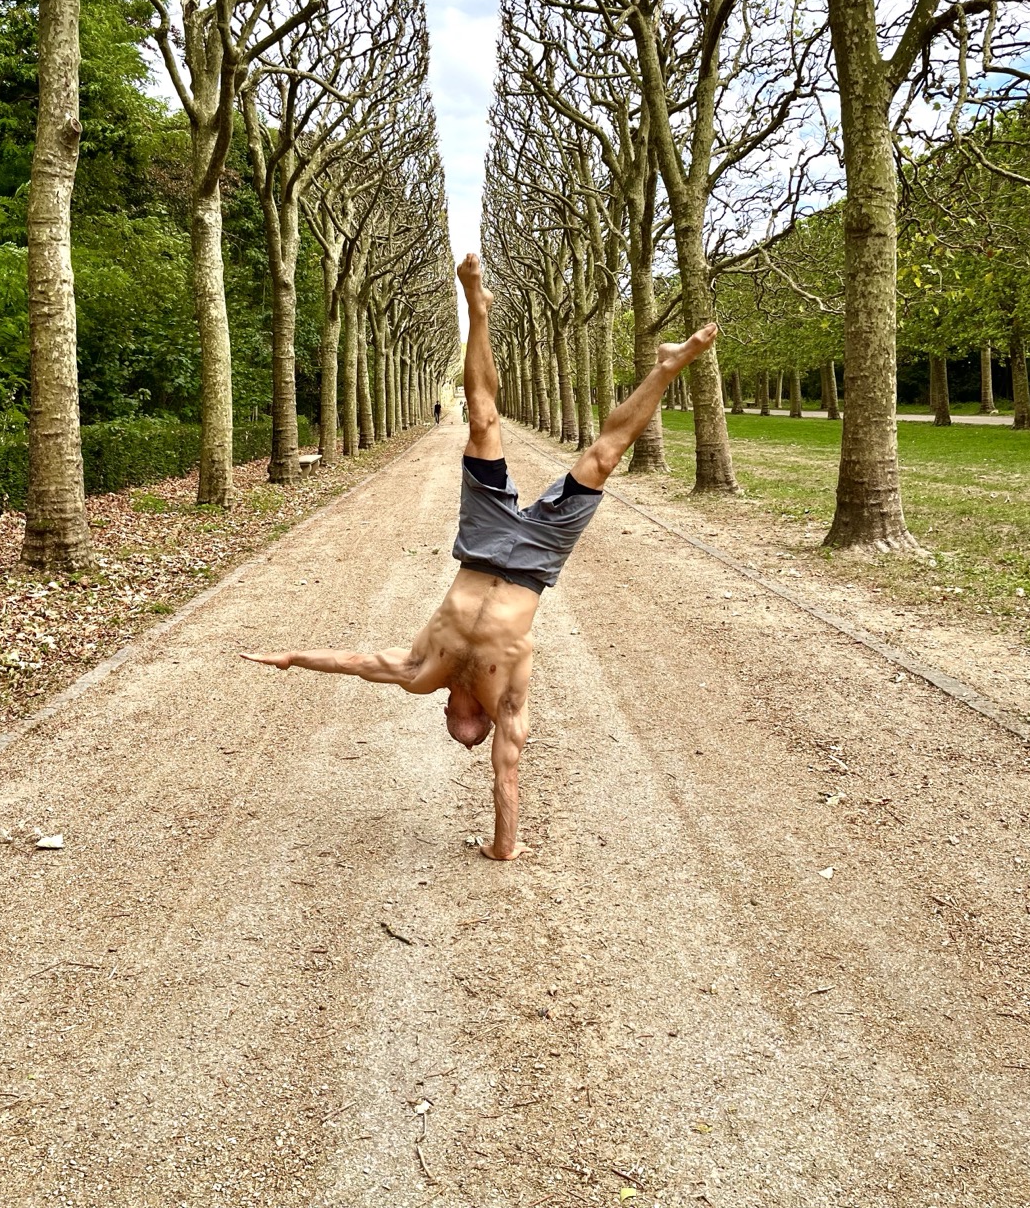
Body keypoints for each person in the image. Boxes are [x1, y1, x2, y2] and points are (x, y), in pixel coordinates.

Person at [242, 254, 717, 861]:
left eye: (454, 715)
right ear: (476, 715)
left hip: (483, 545)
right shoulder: (505, 699)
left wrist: (291, 657)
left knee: (482, 421)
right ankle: (668, 368)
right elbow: (508, 774)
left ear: (450, 703)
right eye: (461, 719)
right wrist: (504, 845)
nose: (455, 708)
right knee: (603, 457)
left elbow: (356, 662)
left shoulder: (422, 673)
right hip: (536, 563)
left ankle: (477, 306)